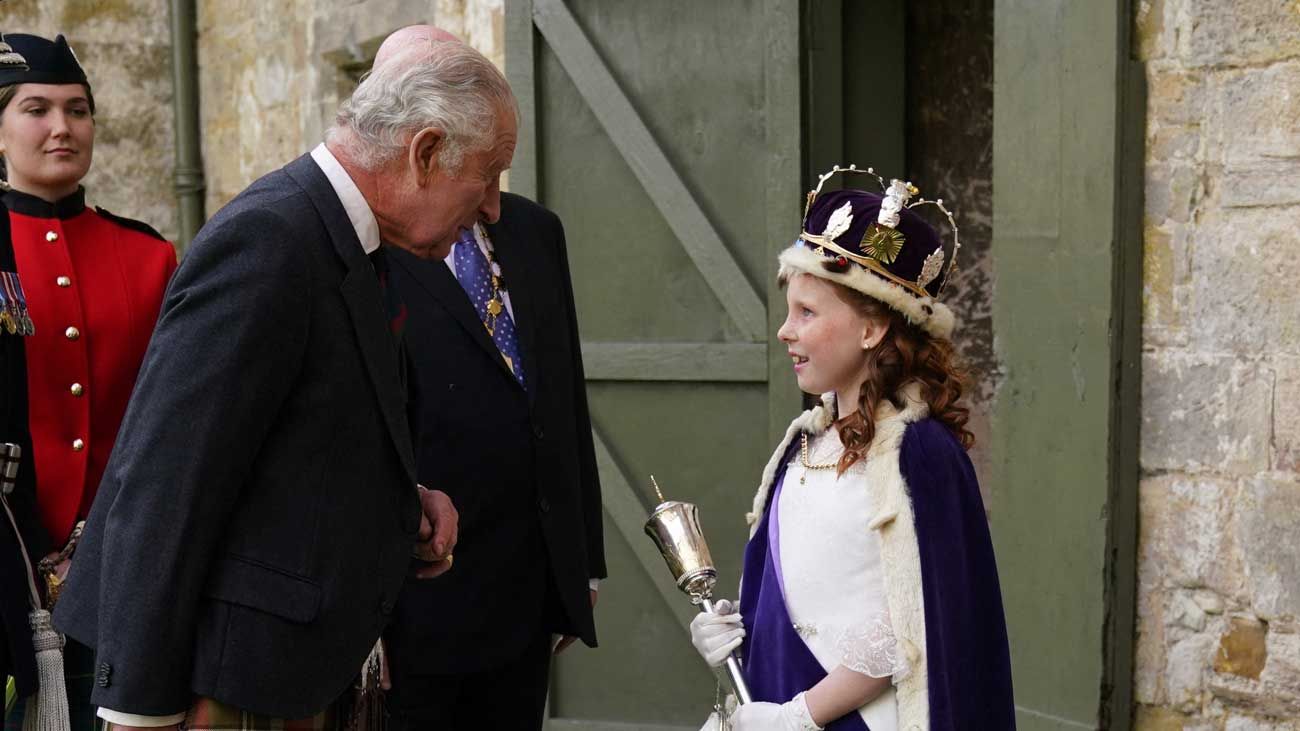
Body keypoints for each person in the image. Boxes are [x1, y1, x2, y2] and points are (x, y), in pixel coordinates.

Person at [48, 34, 518, 730]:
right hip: (231, 688)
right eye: (490, 173)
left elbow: (297, 439)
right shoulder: (272, 237)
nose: (493, 208)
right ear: (424, 152)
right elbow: (167, 478)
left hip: (289, 677)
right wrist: (138, 706)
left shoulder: (350, 238)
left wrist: (400, 504)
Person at [689, 168, 1015, 730]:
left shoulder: (920, 451)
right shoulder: (803, 441)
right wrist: (738, 627)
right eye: (789, 310)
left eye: (808, 313)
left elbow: (911, 619)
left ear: (872, 330)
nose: (785, 332)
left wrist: (801, 716)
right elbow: (803, 585)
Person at [371, 27, 606, 731]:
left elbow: (560, 396)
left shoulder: (535, 232)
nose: (494, 199)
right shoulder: (366, 246)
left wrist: (580, 559)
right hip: (416, 605)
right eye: (483, 168)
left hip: (524, 592)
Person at [0, 32, 177, 730]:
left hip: (120, 564)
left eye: (78, 110)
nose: (62, 127)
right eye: (36, 109)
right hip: (8, 560)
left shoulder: (148, 254)